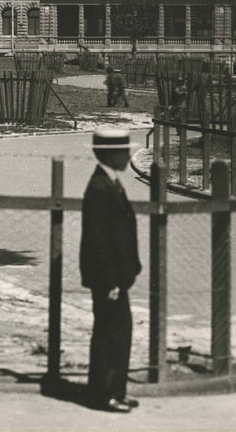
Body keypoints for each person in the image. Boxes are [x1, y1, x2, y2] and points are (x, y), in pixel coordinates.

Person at [80, 128, 143, 413]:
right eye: (124, 151)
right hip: (109, 279)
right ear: (111, 154)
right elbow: (98, 240)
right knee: (109, 335)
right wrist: (110, 281)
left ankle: (115, 390)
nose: (129, 156)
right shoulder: (99, 188)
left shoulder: (110, 182)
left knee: (120, 332)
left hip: (117, 276)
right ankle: (104, 394)